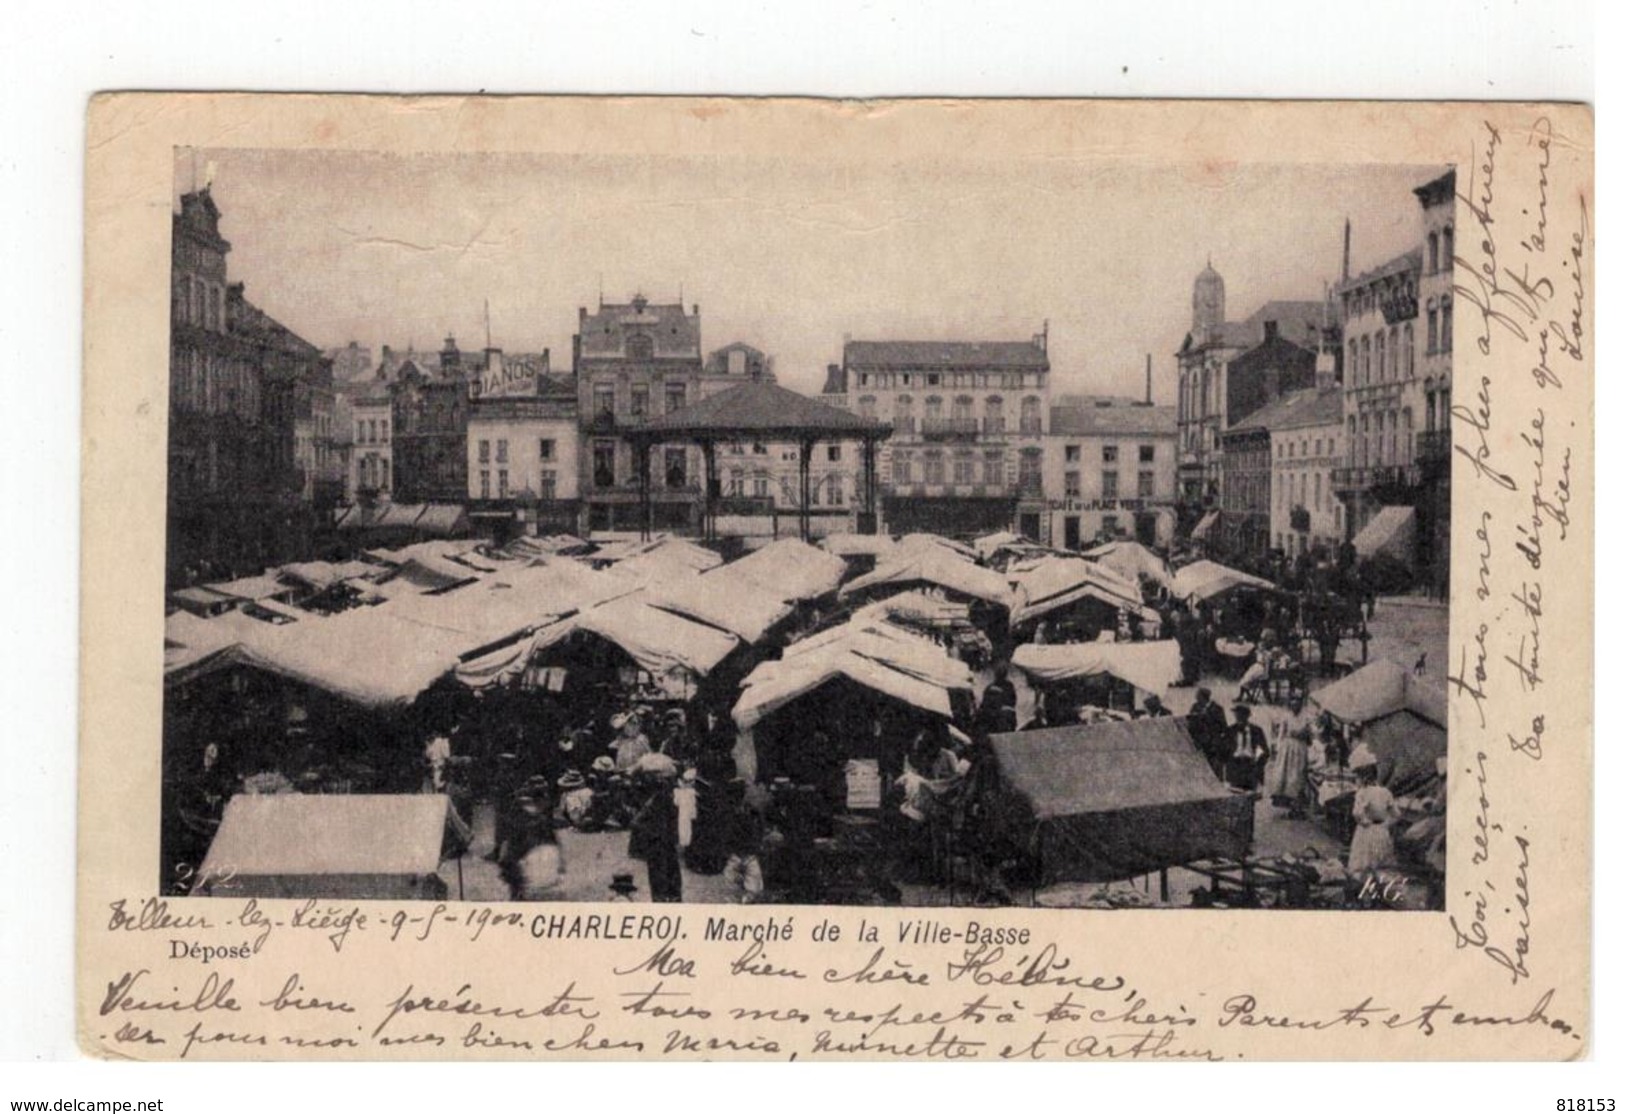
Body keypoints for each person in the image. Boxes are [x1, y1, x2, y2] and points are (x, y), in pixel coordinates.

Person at [628, 769, 683, 902]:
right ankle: (674, 896)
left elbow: (636, 822)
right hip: (667, 842)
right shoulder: (671, 801)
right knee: (672, 870)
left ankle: (661, 898)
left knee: (657, 873)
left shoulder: (653, 801)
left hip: (655, 842)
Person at [1347, 758, 1400, 876]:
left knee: (1362, 865)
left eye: (1358, 778)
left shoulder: (1362, 793)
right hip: (1382, 830)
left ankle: (1363, 887)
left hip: (1366, 832)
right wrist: (1386, 824)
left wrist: (1365, 822)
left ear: (1363, 778)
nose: (1357, 781)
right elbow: (1397, 814)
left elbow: (1357, 813)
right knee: (1381, 865)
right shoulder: (1385, 792)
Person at [720, 779, 765, 903]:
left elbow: (760, 829)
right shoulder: (729, 813)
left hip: (745, 854)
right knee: (733, 892)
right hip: (738, 855)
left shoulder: (751, 812)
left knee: (751, 892)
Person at [1224, 704, 1270, 791]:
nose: (1238, 717)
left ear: (1247, 716)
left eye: (1241, 715)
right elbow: (1224, 749)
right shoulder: (1230, 730)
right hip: (1235, 766)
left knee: (1250, 794)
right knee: (1235, 793)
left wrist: (1258, 764)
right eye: (1237, 714)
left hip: (1250, 766)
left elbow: (1265, 751)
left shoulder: (1256, 730)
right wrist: (1229, 761)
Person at [1187, 687, 1230, 779]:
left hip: (1213, 743)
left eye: (1198, 696)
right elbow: (1190, 722)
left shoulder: (1217, 709)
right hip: (1200, 742)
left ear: (1204, 697)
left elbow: (1223, 726)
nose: (1196, 698)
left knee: (1215, 767)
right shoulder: (1195, 707)